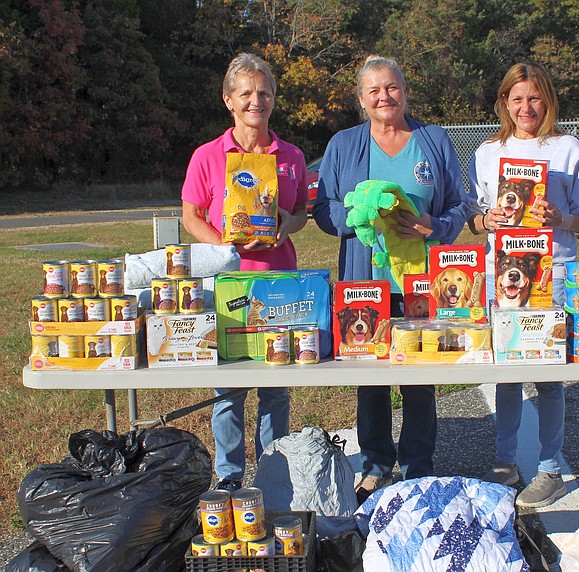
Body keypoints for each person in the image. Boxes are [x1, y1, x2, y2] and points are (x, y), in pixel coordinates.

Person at [313, 55, 471, 500]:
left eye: (393, 87)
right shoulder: (343, 144)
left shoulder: (433, 140)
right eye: (374, 90)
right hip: (366, 280)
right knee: (371, 375)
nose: (385, 97)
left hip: (421, 281)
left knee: (421, 373)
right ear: (361, 99)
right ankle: (377, 462)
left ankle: (420, 463)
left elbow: (459, 205)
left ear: (405, 90)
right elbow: (323, 209)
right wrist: (363, 216)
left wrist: (431, 226)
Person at [467, 61, 579, 508]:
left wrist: (561, 218)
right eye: (516, 97)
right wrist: (487, 219)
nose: (526, 107)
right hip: (499, 274)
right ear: (504, 102)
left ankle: (549, 469)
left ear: (548, 99)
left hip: (551, 272)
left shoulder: (567, 149)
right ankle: (505, 464)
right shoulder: (488, 152)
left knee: (547, 378)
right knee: (505, 372)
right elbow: (476, 213)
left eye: (534, 97)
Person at [181, 53, 308, 491]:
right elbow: (191, 214)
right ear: (228, 100)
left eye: (265, 92)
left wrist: (282, 228)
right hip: (228, 283)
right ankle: (229, 478)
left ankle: (274, 475)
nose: (257, 100)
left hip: (278, 282)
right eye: (247, 92)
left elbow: (300, 213)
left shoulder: (291, 155)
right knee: (229, 390)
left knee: (276, 386)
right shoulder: (207, 156)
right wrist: (222, 246)